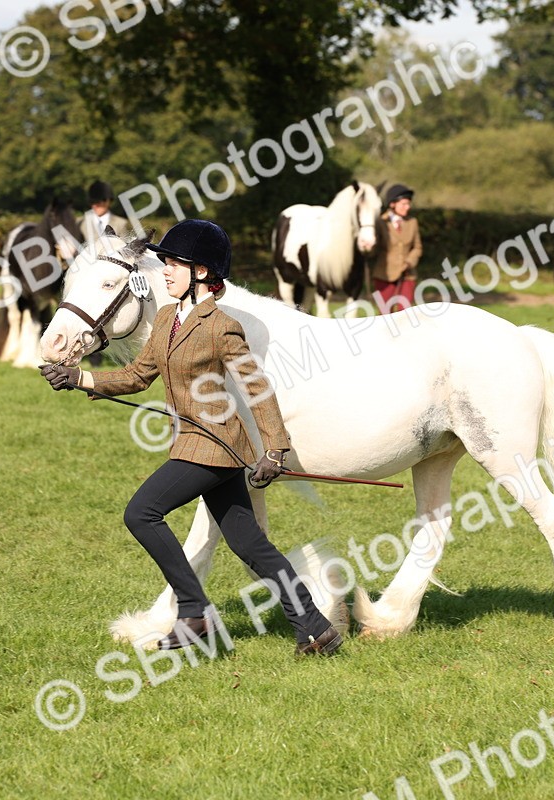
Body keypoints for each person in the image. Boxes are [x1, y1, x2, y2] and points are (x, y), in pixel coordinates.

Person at [39, 219, 342, 656]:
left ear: (201, 272)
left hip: (215, 444)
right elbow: (137, 375)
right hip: (193, 441)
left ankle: (193, 612)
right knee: (250, 544)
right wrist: (79, 377)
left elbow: (256, 388)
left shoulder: (222, 327)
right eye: (164, 262)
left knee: (142, 513)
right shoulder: (166, 318)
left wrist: (276, 449)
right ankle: (316, 629)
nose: (165, 270)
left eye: (175, 263)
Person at [373, 183, 422, 314]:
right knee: (384, 313)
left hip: (407, 275)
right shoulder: (380, 222)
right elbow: (374, 247)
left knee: (404, 313)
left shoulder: (412, 222)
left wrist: (409, 261)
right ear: (392, 204)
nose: (408, 207)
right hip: (384, 274)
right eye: (404, 204)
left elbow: (417, 247)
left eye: (408, 204)